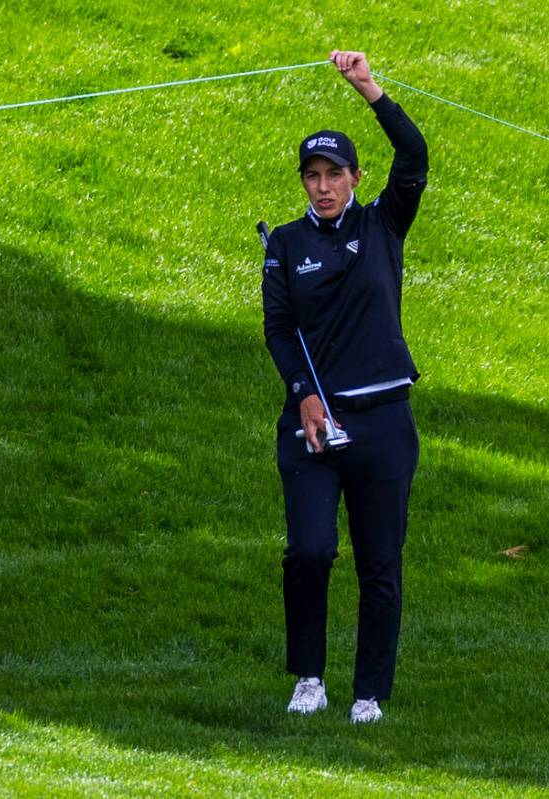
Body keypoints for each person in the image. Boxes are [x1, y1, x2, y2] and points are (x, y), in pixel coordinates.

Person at [261, 51, 427, 723]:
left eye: (334, 174)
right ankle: (308, 676)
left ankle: (368, 693)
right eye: (312, 176)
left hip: (383, 421)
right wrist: (302, 393)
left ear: (356, 177)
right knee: (308, 550)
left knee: (378, 563)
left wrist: (368, 89)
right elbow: (277, 328)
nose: (323, 187)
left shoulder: (381, 224)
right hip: (312, 423)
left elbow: (413, 154)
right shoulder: (285, 243)